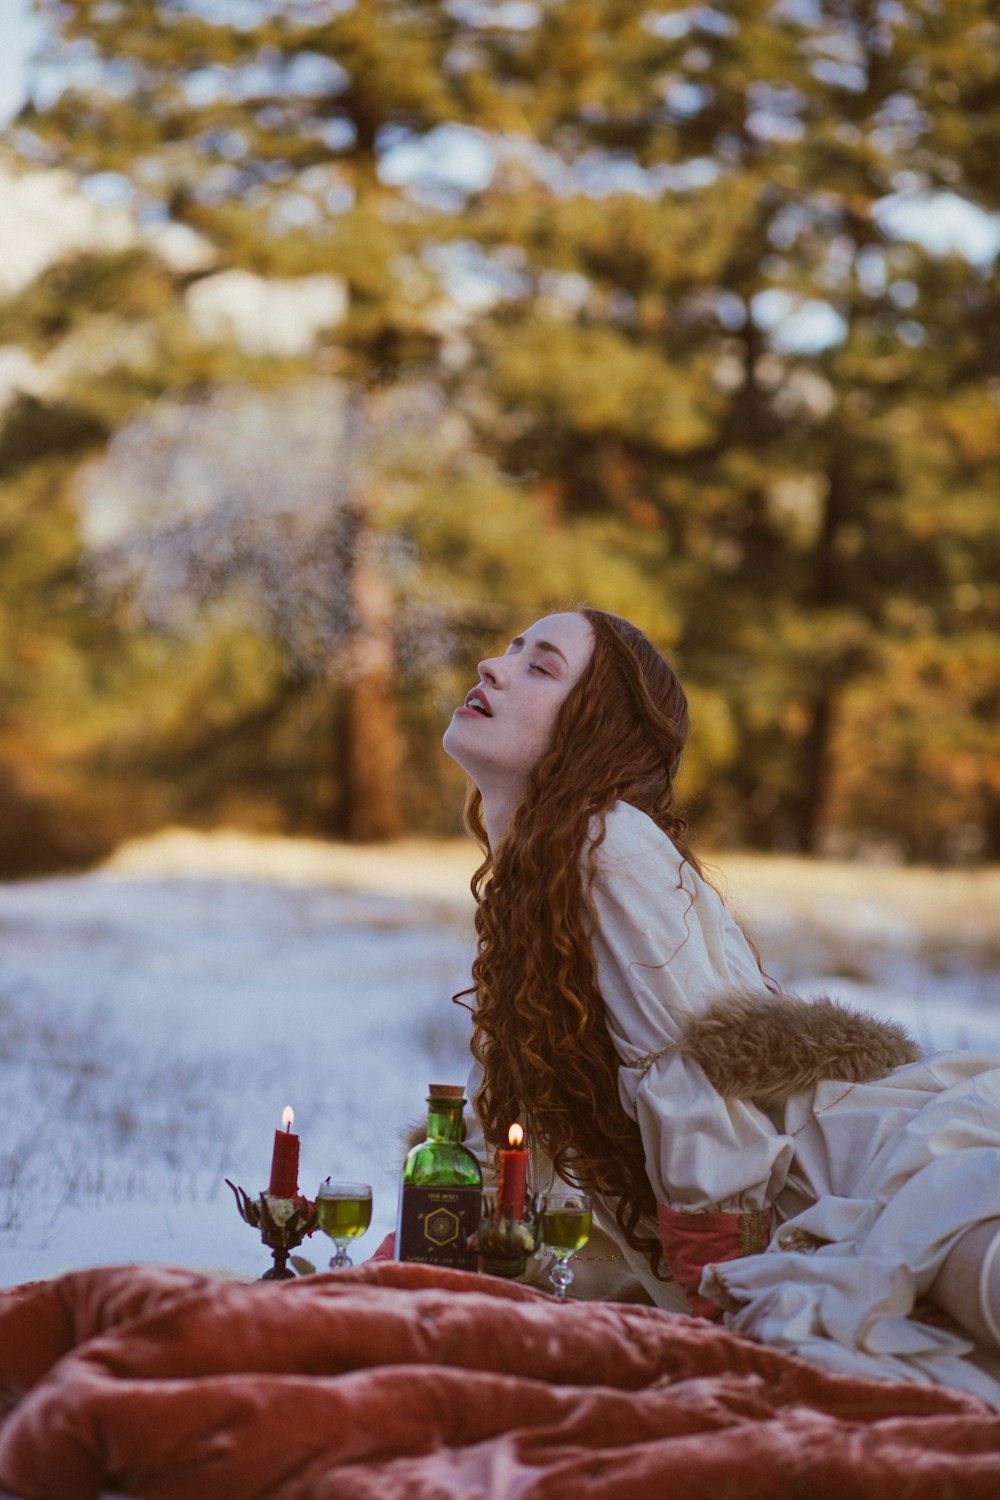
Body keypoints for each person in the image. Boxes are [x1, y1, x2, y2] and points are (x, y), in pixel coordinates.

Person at [442, 606, 1000, 1405]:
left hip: (836, 1166)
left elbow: (690, 1069)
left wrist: (718, 1274)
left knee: (956, 1257)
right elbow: (538, 1124)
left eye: (541, 665)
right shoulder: (542, 874)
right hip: (800, 1184)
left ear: (593, 728)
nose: (493, 667)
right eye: (507, 649)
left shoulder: (603, 841)